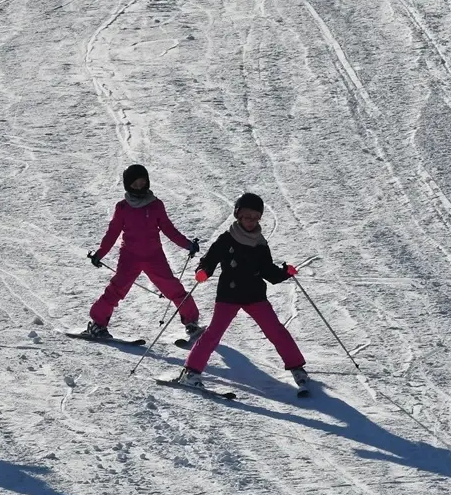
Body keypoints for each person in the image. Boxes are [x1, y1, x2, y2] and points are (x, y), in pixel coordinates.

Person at [175, 192, 309, 390]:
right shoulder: (226, 239)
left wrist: (285, 273)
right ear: (238, 215)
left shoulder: (260, 244)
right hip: (228, 295)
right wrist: (203, 271)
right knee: (213, 333)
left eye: (255, 217)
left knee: (276, 331)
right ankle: (191, 372)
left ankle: (297, 368)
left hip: (255, 294)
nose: (251, 221)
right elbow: (209, 260)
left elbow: (268, 271)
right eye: (247, 216)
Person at [85, 164, 203, 339]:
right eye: (135, 184)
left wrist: (187, 244)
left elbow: (169, 229)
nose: (139, 187)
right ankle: (98, 324)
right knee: (116, 289)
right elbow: (112, 233)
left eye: (142, 182)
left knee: (172, 287)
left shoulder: (156, 205)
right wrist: (100, 254)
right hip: (129, 257)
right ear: (128, 186)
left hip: (154, 256)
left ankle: (191, 323)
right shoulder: (123, 208)